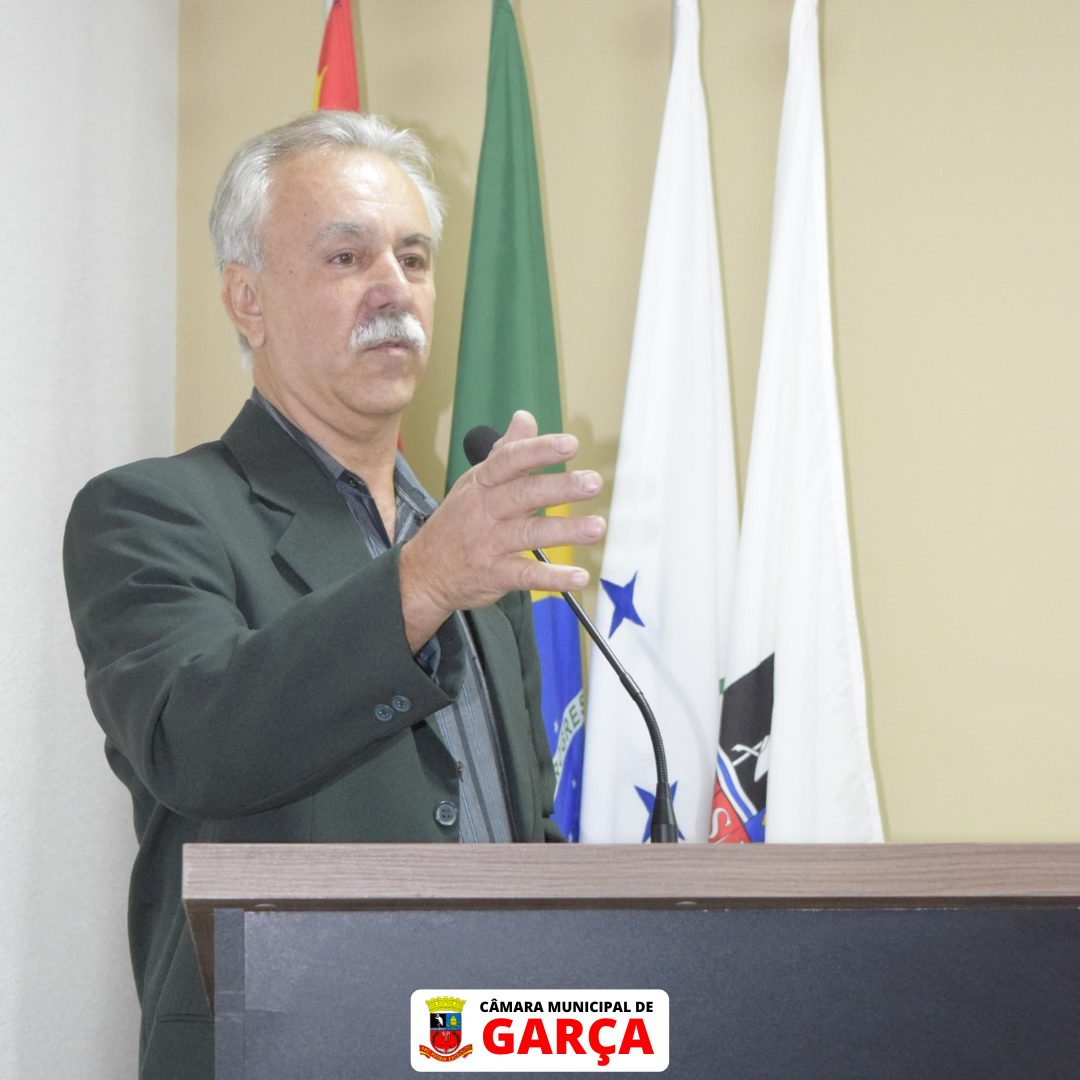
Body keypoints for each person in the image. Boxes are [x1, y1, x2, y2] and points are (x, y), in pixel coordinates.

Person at [63, 111, 605, 1080]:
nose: (394, 287)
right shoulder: (152, 513)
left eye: (414, 257)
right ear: (248, 299)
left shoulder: (474, 550)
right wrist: (423, 579)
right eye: (347, 257)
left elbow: (511, 828)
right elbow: (198, 740)